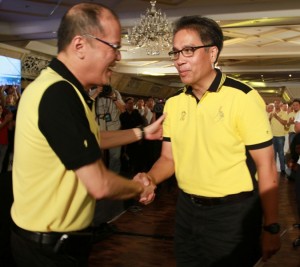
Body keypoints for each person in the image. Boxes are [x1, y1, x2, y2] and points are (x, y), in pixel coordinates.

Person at [10, 3, 162, 266]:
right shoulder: (58, 94)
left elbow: (92, 139)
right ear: (80, 45)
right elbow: (99, 183)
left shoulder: (66, 90)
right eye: (113, 47)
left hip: (59, 241)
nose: (118, 57)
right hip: (47, 249)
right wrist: (140, 186)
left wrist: (142, 132)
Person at [136, 15, 280, 267]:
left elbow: (266, 167)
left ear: (212, 53)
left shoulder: (243, 98)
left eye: (188, 51)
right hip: (187, 211)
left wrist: (271, 227)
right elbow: (168, 158)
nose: (179, 60)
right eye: (176, 52)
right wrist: (151, 179)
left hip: (233, 214)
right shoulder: (174, 102)